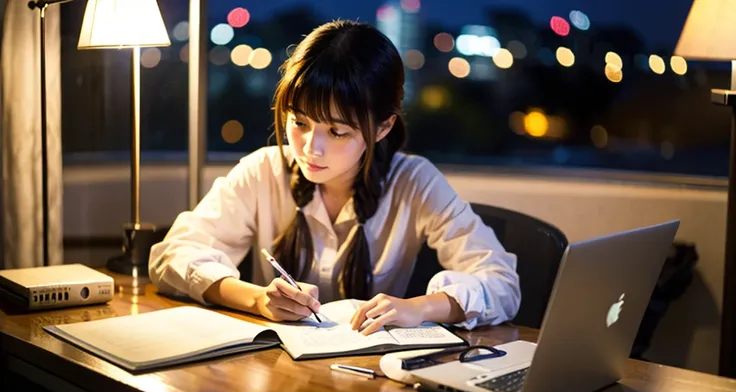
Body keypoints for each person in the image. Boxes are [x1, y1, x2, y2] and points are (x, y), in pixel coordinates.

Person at [148, 20, 520, 336]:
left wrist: (419, 308)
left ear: (383, 126)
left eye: (337, 132)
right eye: (299, 122)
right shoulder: (263, 170)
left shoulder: (414, 183)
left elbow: (502, 283)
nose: (312, 147)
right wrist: (256, 298)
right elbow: (174, 256)